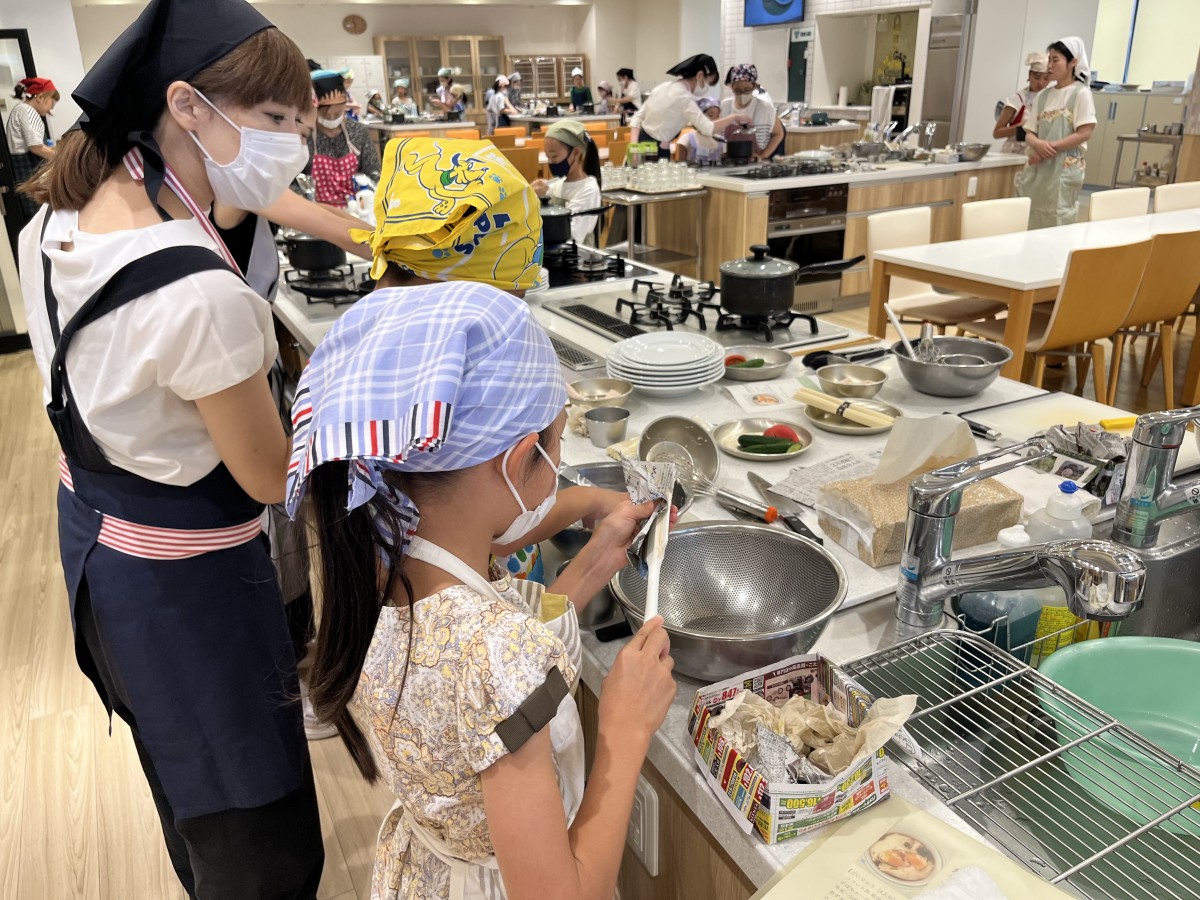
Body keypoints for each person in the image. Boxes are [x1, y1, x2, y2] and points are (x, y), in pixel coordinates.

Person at [286, 141, 676, 899]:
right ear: (516, 457)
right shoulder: (493, 655)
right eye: (557, 447)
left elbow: (494, 683)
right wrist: (624, 733)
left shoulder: (376, 540)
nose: (560, 471)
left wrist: (597, 558)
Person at [17, 0, 324, 895]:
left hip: (99, 552)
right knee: (258, 837)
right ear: (186, 106)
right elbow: (269, 476)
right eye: (276, 122)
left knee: (184, 794)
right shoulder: (198, 293)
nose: (293, 148)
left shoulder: (52, 226)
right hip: (190, 594)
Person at [1017, 37, 1097, 228]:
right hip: (1039, 167)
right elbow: (1029, 131)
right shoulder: (1044, 95)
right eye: (1049, 60)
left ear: (1073, 62)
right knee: (1031, 215)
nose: (1050, 66)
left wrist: (1049, 148)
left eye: (1056, 60)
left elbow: (1085, 132)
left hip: (1063, 168)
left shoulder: (1081, 93)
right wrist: (1037, 145)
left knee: (1059, 217)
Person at [631, 54, 750, 159]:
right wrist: (734, 117)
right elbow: (708, 129)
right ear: (699, 76)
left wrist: (634, 147)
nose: (707, 87)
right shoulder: (684, 98)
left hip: (641, 145)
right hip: (654, 152)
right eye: (708, 83)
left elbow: (637, 118)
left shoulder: (664, 86)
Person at [306, 69, 381, 207]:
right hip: (318, 213)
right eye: (326, 116)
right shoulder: (306, 135)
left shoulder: (358, 132)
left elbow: (374, 174)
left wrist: (369, 198)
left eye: (338, 113)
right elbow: (294, 184)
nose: (332, 119)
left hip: (357, 209)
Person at [531, 120, 603, 245]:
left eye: (554, 156)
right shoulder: (556, 185)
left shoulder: (589, 189)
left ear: (575, 153)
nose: (551, 162)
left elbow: (571, 235)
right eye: (548, 157)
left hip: (577, 258)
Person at [5, 77, 59, 220]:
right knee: (38, 216)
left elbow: (41, 142)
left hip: (22, 166)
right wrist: (61, 158)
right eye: (52, 102)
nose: (52, 108)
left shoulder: (21, 110)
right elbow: (36, 147)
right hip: (26, 168)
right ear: (40, 97)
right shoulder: (28, 111)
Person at [720, 63, 784, 160]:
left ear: (754, 86)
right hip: (729, 162)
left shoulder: (764, 108)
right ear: (732, 86)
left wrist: (763, 157)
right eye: (738, 90)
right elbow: (717, 134)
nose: (742, 94)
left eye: (747, 90)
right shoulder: (725, 106)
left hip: (755, 164)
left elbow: (779, 134)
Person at [995, 52, 1051, 155]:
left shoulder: (1050, 99)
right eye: (1037, 77)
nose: (1041, 83)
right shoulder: (1017, 99)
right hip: (1014, 153)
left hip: (1037, 153)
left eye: (1046, 78)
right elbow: (997, 133)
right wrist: (1019, 128)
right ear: (1029, 75)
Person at [681, 97, 725, 164]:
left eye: (717, 116)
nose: (715, 120)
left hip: (716, 174)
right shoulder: (687, 138)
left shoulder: (721, 139)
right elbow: (679, 165)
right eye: (710, 115)